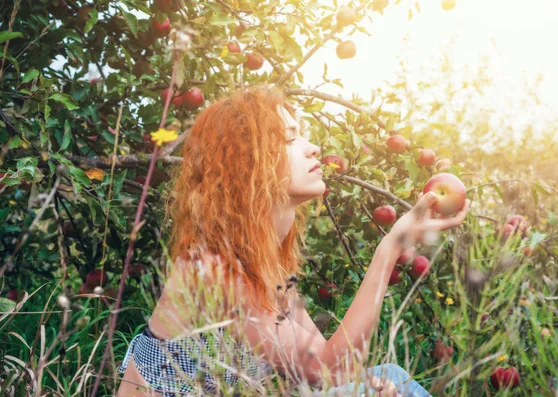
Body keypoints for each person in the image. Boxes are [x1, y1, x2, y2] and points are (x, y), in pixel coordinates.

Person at [116, 85, 471, 396]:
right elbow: (323, 368)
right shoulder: (216, 270)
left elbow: (331, 368)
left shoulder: (261, 263)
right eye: (289, 139)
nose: (313, 148)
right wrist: (390, 247)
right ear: (249, 164)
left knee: (389, 379)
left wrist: (364, 386)